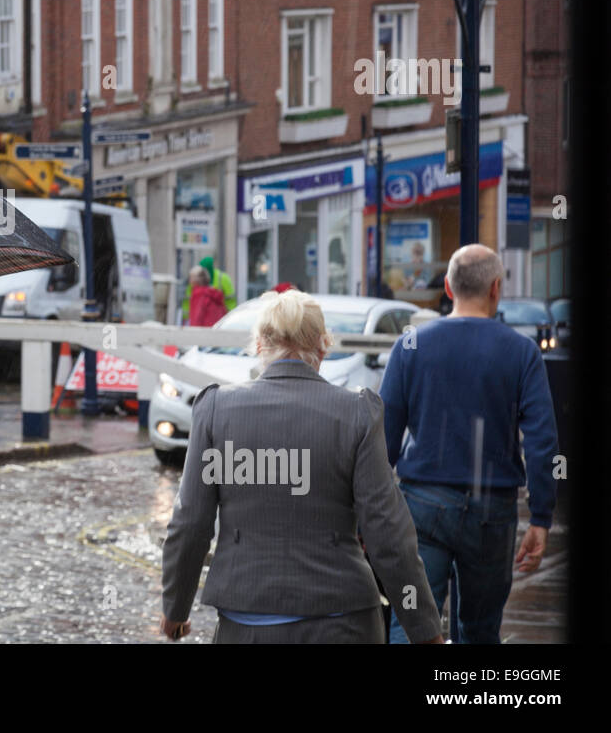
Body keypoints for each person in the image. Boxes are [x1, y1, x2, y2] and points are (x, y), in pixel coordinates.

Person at [160, 289, 443, 644]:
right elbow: (388, 533)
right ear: (323, 347)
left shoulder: (216, 411)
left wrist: (176, 608)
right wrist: (424, 629)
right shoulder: (357, 413)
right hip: (342, 620)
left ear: (260, 345)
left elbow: (190, 524)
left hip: (247, 621)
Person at [383, 244, 558, 645]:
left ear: (447, 286)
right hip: (491, 510)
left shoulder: (410, 347)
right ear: (497, 288)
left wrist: (369, 514)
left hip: (422, 505)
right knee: (480, 631)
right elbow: (543, 440)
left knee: (410, 624)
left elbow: (383, 436)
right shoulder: (522, 353)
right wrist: (541, 516)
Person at [182, 255, 236, 321]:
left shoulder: (198, 293)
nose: (190, 281)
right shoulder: (214, 292)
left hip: (217, 321)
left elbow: (197, 317)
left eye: (191, 278)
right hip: (220, 320)